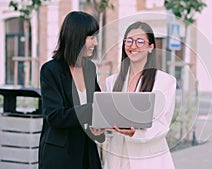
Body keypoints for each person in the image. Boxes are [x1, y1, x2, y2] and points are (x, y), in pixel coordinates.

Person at [103, 21, 176, 169]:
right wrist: (101, 126)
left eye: (140, 41)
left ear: (151, 47)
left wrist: (135, 133)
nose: (133, 45)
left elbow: (162, 125)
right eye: (129, 41)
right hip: (117, 158)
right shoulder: (111, 82)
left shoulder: (165, 81)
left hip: (149, 159)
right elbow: (108, 121)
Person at [38, 11, 105, 169]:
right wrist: (91, 111)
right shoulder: (50, 70)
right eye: (92, 37)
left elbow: (100, 103)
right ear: (77, 37)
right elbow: (55, 116)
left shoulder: (90, 68)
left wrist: (101, 124)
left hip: (87, 153)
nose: (95, 43)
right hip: (60, 156)